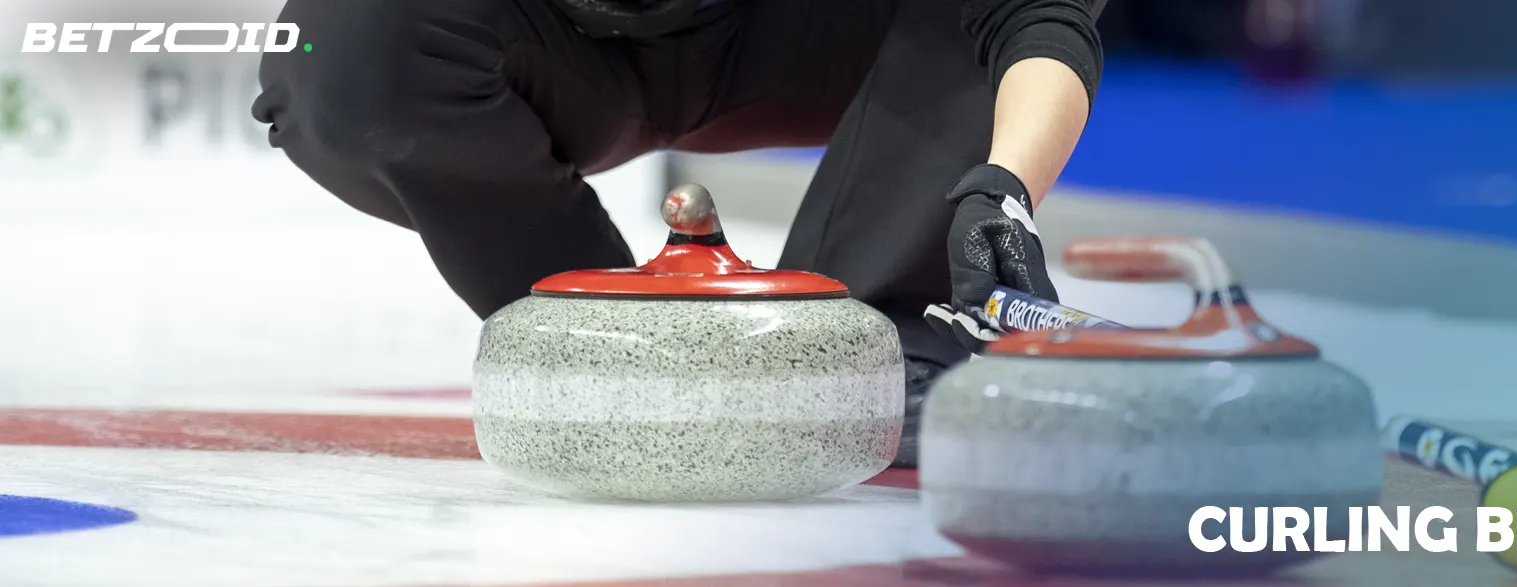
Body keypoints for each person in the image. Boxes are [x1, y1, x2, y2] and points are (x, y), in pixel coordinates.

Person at [252, 0, 1105, 467]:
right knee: (346, 53)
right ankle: (606, 342)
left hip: (810, 34)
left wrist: (1004, 190)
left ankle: (873, 347)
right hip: (563, 46)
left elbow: (1041, 14)